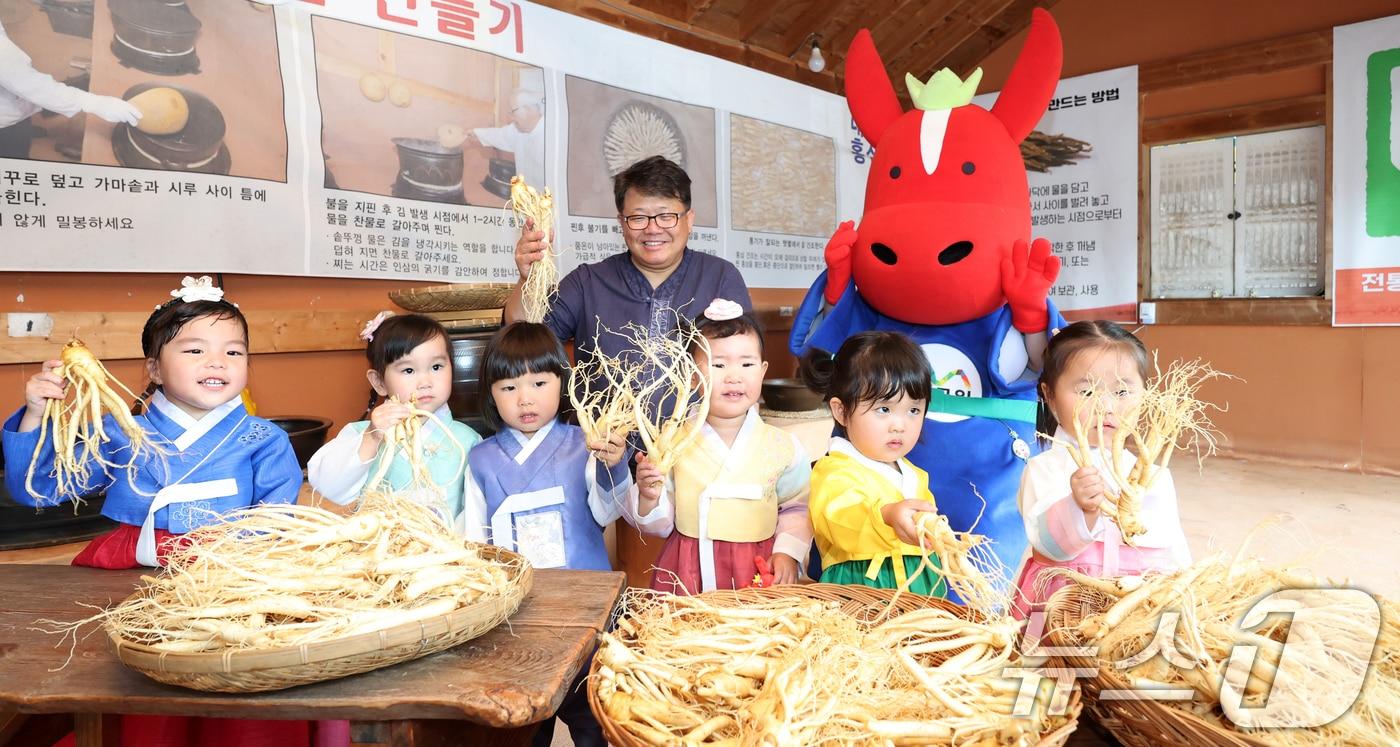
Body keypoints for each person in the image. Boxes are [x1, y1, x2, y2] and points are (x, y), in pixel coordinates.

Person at [2, 276, 313, 746]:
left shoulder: (263, 439)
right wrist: (33, 414)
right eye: (194, 351)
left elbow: (274, 522)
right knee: (135, 689)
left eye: (234, 351)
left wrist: (222, 573)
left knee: (235, 686)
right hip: (131, 573)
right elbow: (38, 490)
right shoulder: (121, 431)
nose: (217, 362)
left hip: (228, 577)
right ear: (154, 368)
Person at [463, 321, 628, 747]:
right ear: (490, 393)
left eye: (539, 382)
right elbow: (475, 542)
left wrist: (614, 465)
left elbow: (608, 510)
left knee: (591, 717)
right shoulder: (480, 459)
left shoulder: (585, 444)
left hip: (584, 609)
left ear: (562, 382)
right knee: (526, 721)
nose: (525, 398)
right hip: (519, 618)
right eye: (508, 387)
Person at [627, 299, 813, 594]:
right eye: (718, 364)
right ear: (690, 375)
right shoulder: (671, 442)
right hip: (688, 568)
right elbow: (659, 525)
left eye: (747, 363)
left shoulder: (782, 446)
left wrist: (788, 552)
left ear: (763, 371)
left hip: (757, 568)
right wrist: (650, 496)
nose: (734, 376)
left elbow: (797, 506)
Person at [1011, 321, 1190, 623]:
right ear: (1050, 395)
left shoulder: (1153, 476)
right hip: (1056, 607)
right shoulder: (1045, 469)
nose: (1106, 405)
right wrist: (1079, 508)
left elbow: (1175, 553)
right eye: (1088, 390)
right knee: (1046, 668)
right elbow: (1049, 546)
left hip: (1130, 614)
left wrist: (1187, 598)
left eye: (1122, 391)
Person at [504, 155, 751, 370]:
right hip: (600, 425)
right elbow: (524, 340)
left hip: (694, 425)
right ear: (622, 223)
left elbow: (743, 364)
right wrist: (528, 279)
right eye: (638, 217)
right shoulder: (587, 282)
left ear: (689, 219)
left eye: (666, 216)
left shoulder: (720, 277)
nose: (653, 229)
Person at [803, 331, 949, 597]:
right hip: (860, 595)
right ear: (841, 411)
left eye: (913, 410)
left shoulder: (916, 476)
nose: (899, 425)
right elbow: (840, 519)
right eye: (884, 409)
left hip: (921, 597)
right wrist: (886, 516)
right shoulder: (834, 471)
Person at [308, 312, 482, 525]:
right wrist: (371, 438)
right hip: (377, 554)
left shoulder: (468, 441)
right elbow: (328, 487)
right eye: (409, 370)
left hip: (446, 554)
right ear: (379, 381)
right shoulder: (361, 435)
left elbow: (475, 516)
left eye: (436, 367)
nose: (425, 381)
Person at [0, 19, 140, 159]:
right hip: (5, 125)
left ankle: (26, 131)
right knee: (15, 153)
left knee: (22, 118)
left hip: (12, 100)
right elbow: (32, 86)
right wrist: (94, 103)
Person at [466, 88, 544, 189]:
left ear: (529, 109)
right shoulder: (518, 129)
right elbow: (499, 135)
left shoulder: (552, 135)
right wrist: (476, 132)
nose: (511, 118)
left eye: (513, 111)